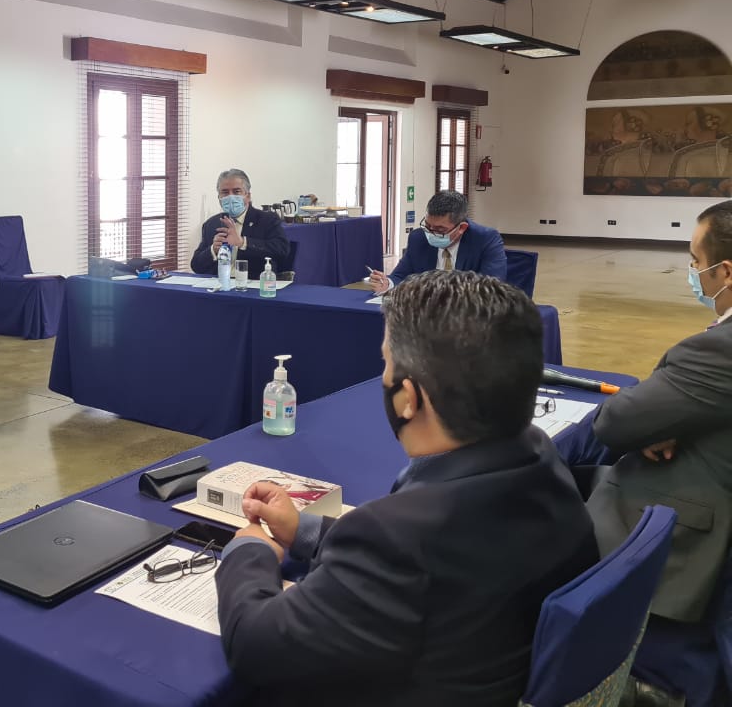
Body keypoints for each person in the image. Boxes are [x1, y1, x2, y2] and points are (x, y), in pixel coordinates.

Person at [215, 272, 597, 707]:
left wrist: (250, 550)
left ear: (408, 399)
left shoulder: (398, 536)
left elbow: (256, 646)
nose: (384, 376)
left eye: (387, 364)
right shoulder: (541, 456)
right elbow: (433, 564)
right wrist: (304, 530)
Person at [580, 199, 732, 625]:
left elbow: (615, 423)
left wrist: (652, 424)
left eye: (695, 261)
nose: (693, 272)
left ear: (725, 271)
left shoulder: (718, 350)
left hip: (693, 524)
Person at [369, 189, 505, 293]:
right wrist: (388, 283)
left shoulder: (485, 239)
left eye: (440, 229)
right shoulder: (418, 238)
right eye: (428, 226)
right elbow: (400, 276)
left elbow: (491, 286)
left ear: (461, 228)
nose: (431, 233)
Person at [190, 168, 290, 275]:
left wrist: (242, 243)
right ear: (219, 198)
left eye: (236, 192)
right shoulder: (211, 224)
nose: (230, 196)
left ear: (248, 196)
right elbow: (196, 266)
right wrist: (213, 250)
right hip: (220, 283)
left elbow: (282, 251)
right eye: (225, 192)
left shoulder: (267, 219)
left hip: (253, 282)